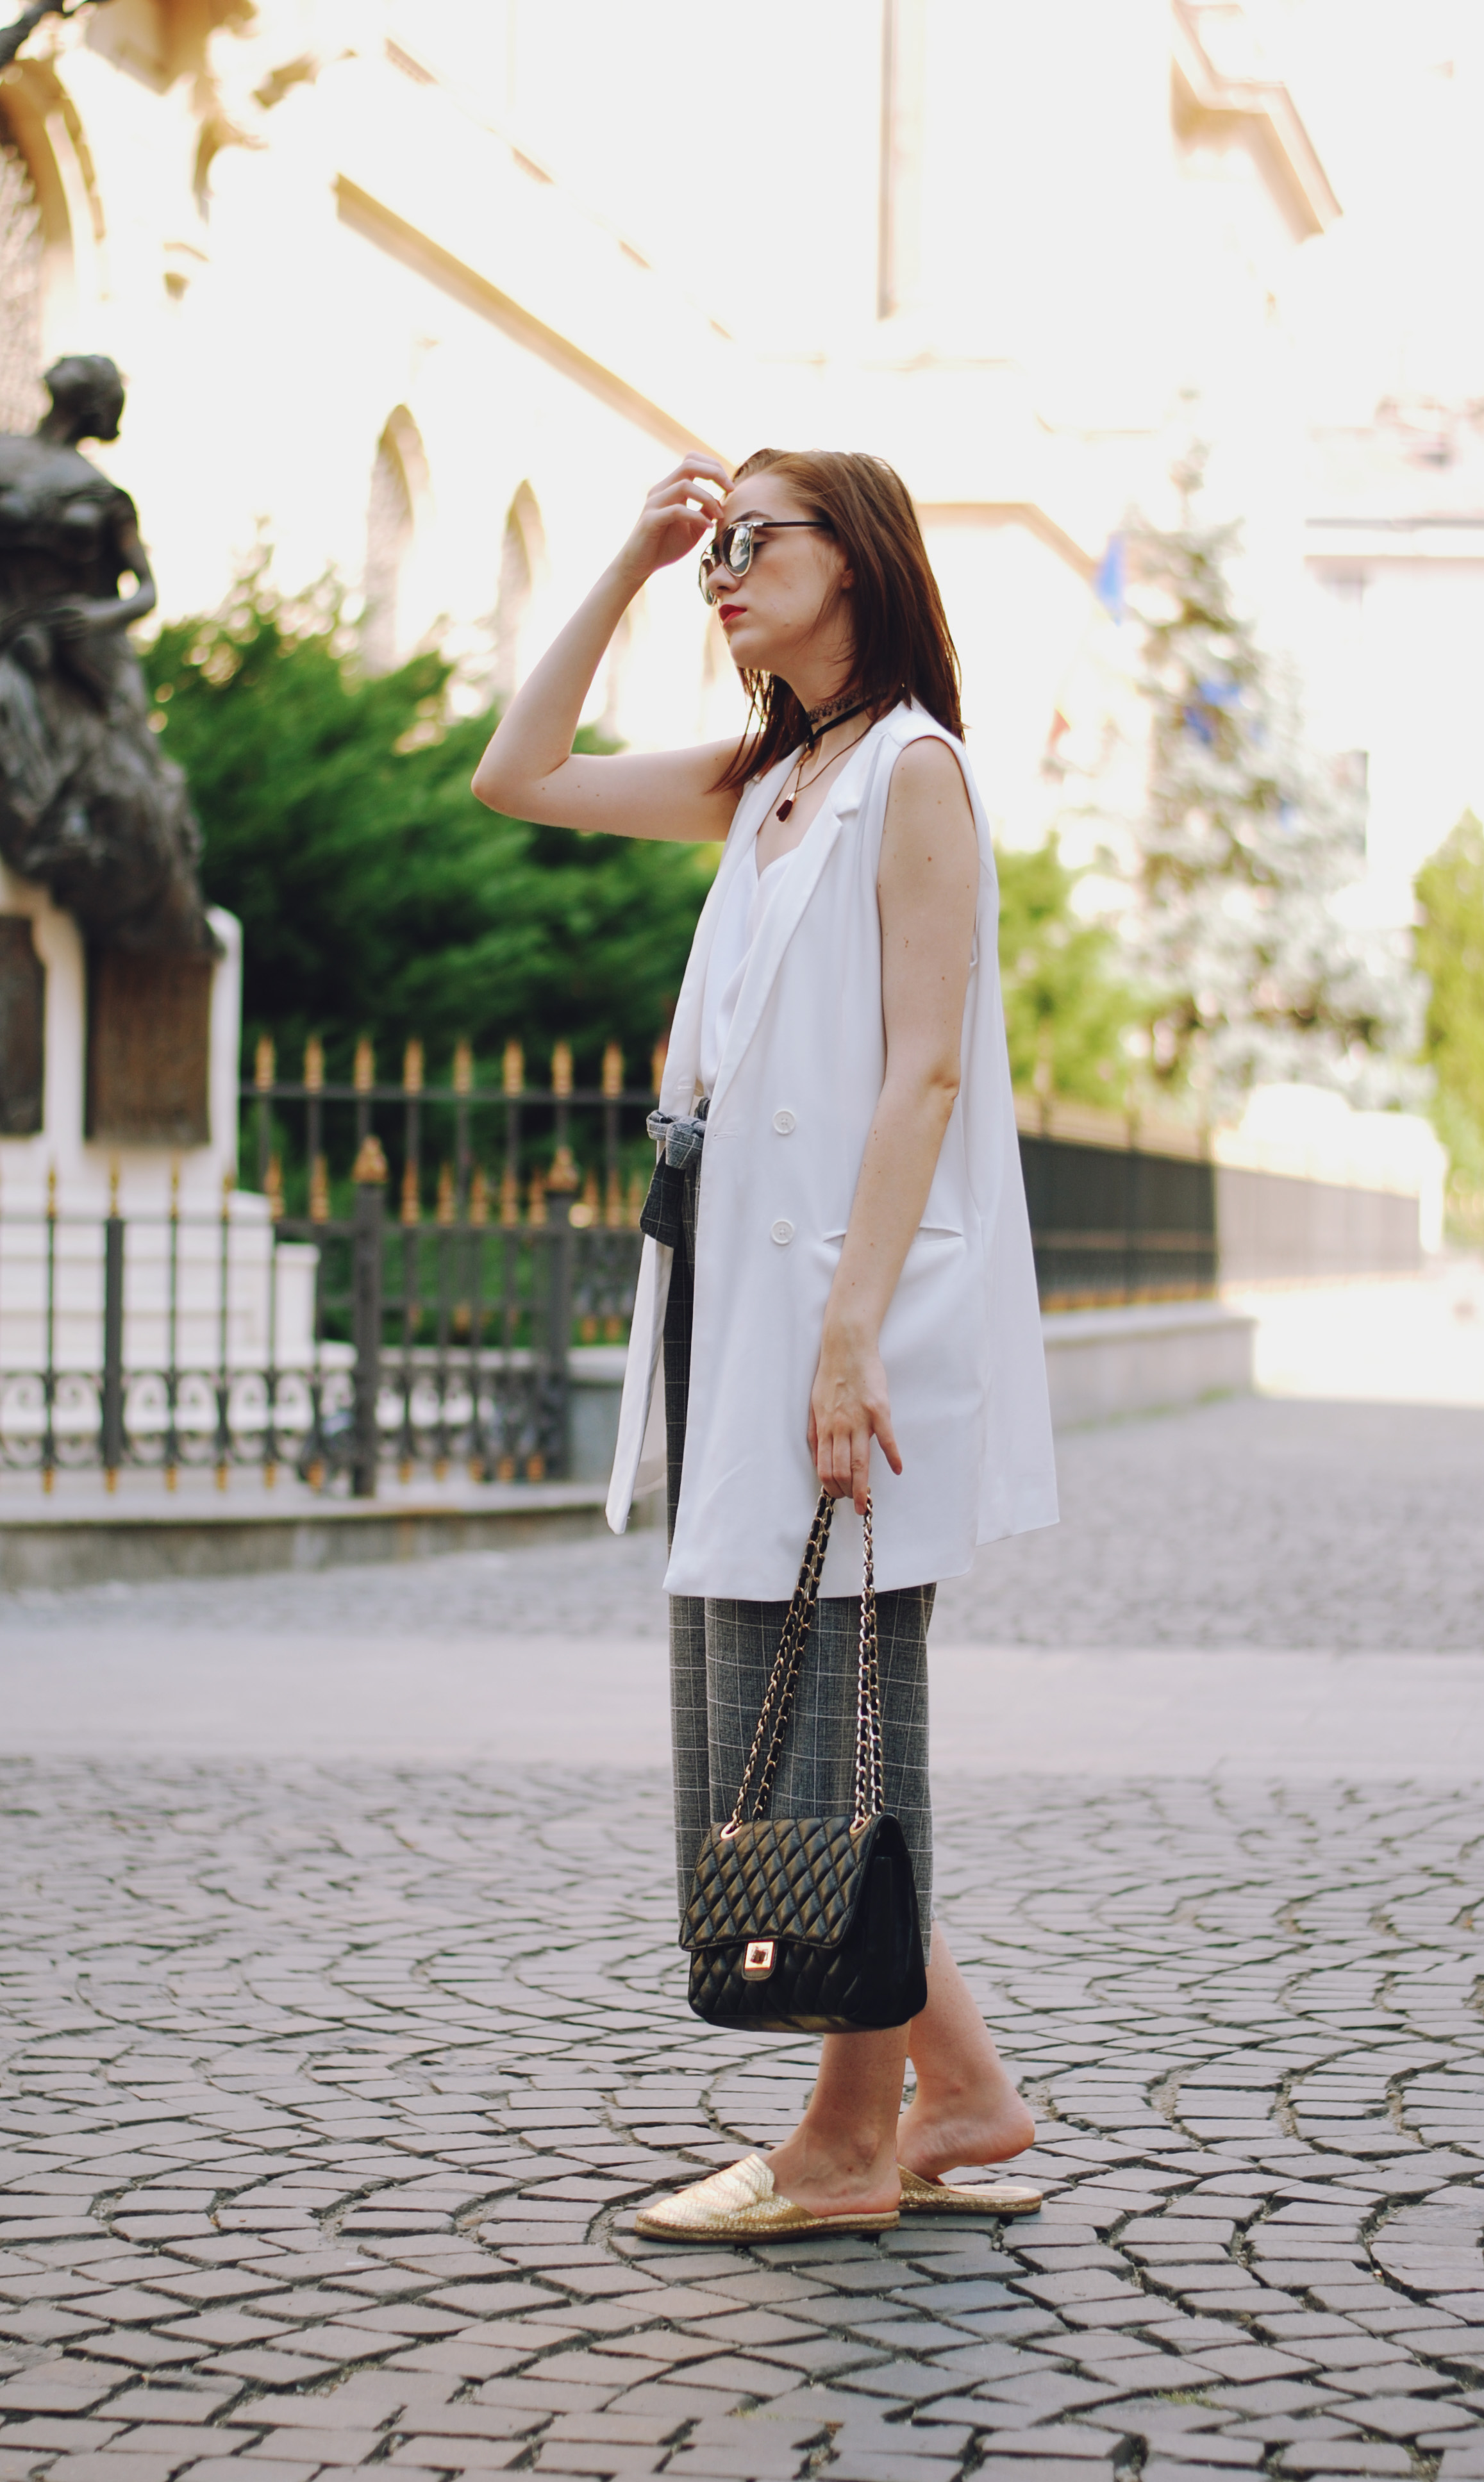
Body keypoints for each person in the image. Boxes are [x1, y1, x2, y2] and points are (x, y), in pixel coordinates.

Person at [473, 449, 1058, 2241]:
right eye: (713, 548)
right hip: (741, 1310)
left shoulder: (914, 774)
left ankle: (842, 2147)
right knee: (785, 1707)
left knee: (848, 1723)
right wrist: (631, 556)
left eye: (751, 542)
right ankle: (962, 2096)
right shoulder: (769, 778)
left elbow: (927, 1069)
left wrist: (849, 1338)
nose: (724, 570)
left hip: (853, 1318)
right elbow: (520, 774)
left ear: (859, 561)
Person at [0, 353, 211, 956]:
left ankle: (105, 848)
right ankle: (48, 827)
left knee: (129, 776)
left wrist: (95, 616)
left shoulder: (103, 494)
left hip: (70, 646)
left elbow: (145, 590)